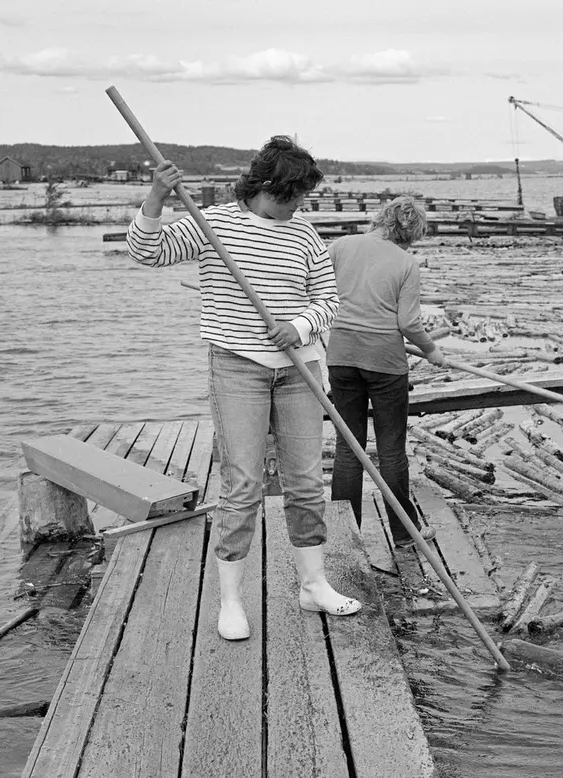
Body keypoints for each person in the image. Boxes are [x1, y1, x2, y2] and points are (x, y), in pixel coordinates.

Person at [126, 136, 361, 641]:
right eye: (294, 195)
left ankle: (313, 584)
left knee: (304, 482)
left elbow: (328, 299)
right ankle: (231, 601)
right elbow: (147, 251)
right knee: (243, 486)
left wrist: (297, 328)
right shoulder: (212, 221)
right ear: (270, 186)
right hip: (238, 368)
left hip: (301, 371)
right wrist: (156, 197)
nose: (300, 206)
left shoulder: (305, 233)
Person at [326, 196, 445, 548]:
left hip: (342, 357)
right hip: (385, 363)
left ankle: (344, 536)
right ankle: (404, 534)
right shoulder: (405, 263)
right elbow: (408, 322)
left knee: (349, 448)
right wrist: (431, 350)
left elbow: (315, 292)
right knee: (392, 451)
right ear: (410, 232)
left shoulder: (341, 246)